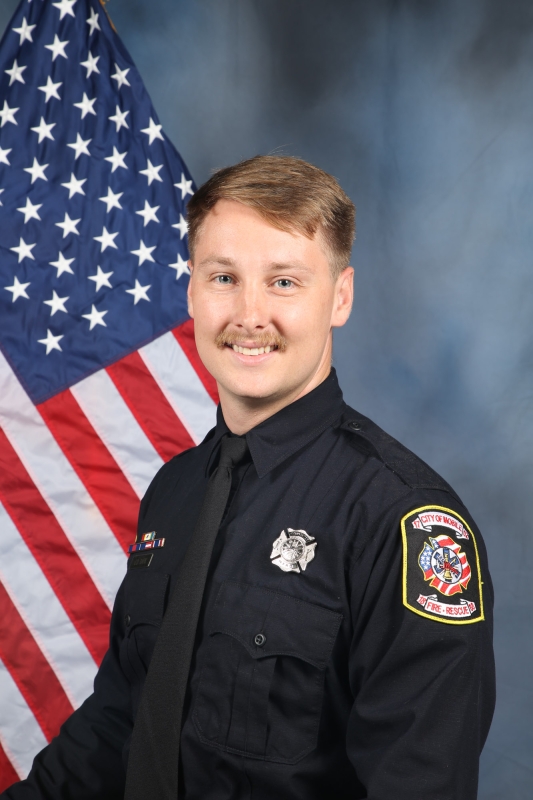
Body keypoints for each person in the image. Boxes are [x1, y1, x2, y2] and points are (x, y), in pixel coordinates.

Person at [3, 155, 495, 800]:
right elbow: (123, 721)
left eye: (284, 282)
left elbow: (418, 784)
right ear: (190, 290)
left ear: (340, 297)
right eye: (224, 277)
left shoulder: (402, 521)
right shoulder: (176, 490)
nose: (248, 314)